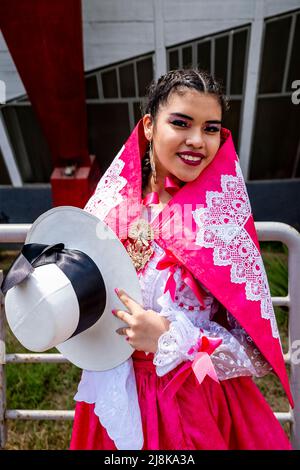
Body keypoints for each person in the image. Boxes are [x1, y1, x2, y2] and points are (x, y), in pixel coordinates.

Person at [69, 69, 292, 450]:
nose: (196, 140)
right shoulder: (111, 210)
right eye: (181, 123)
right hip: (112, 396)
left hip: (193, 406)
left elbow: (254, 351)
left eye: (210, 129)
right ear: (149, 126)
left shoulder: (221, 222)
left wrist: (173, 339)